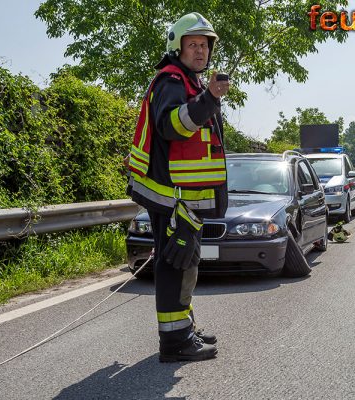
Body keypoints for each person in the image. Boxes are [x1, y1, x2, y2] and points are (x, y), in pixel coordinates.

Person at [126, 12, 229, 363]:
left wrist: (206, 96)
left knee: (186, 261)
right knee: (174, 263)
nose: (200, 51)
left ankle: (184, 328)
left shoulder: (190, 82)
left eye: (204, 45)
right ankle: (174, 343)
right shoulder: (171, 81)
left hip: (183, 197)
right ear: (178, 47)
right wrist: (208, 100)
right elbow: (171, 127)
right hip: (170, 196)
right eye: (193, 44)